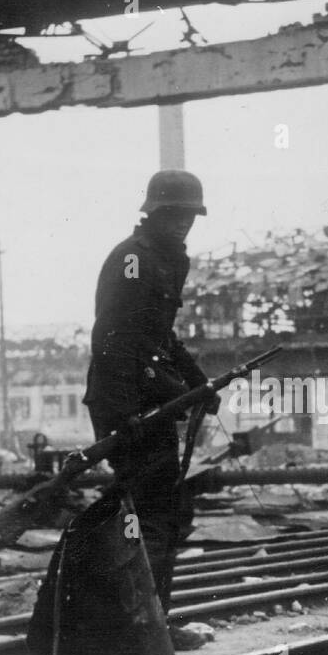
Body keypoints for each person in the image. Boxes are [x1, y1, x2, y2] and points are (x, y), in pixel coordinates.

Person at [82, 169, 218, 616]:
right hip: (126, 401)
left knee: (165, 513)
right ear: (154, 214)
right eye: (174, 214)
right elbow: (115, 340)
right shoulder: (133, 259)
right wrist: (126, 412)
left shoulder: (167, 259)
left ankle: (148, 624)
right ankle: (136, 625)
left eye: (189, 216)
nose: (182, 223)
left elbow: (162, 337)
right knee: (150, 515)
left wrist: (197, 384)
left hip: (147, 401)